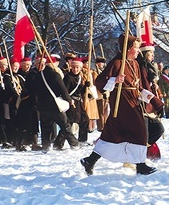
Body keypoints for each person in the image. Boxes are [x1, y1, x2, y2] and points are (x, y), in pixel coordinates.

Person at [80, 34, 157, 176]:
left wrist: (151, 99)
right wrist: (115, 80)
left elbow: (137, 86)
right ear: (128, 48)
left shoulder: (134, 63)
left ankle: (90, 160)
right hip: (121, 105)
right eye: (136, 48)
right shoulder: (116, 63)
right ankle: (140, 165)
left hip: (133, 102)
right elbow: (100, 83)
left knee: (112, 135)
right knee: (140, 132)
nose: (138, 51)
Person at [26, 55, 79, 152]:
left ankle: (46, 145)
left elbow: (35, 90)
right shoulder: (55, 75)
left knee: (46, 126)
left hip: (42, 105)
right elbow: (62, 90)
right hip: (55, 105)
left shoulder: (38, 75)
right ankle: (74, 143)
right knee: (65, 124)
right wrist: (69, 100)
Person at [62, 57, 91, 146]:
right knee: (69, 123)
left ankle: (82, 140)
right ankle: (59, 143)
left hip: (78, 103)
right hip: (71, 103)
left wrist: (85, 87)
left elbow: (80, 91)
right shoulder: (68, 77)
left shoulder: (79, 77)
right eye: (74, 67)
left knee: (85, 120)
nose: (75, 69)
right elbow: (65, 91)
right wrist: (69, 100)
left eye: (77, 67)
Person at [92, 56, 108, 132]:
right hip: (99, 93)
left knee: (105, 110)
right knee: (101, 111)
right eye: (100, 62)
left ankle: (105, 124)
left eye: (102, 62)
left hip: (105, 93)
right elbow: (96, 82)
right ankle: (101, 126)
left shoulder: (104, 71)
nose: (101, 64)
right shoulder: (95, 71)